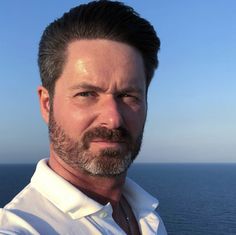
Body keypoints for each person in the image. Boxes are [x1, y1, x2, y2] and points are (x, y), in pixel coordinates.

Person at [0, 1, 167, 234]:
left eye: (128, 95)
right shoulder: (21, 228)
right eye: (86, 94)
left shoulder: (147, 216)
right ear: (47, 105)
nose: (113, 119)